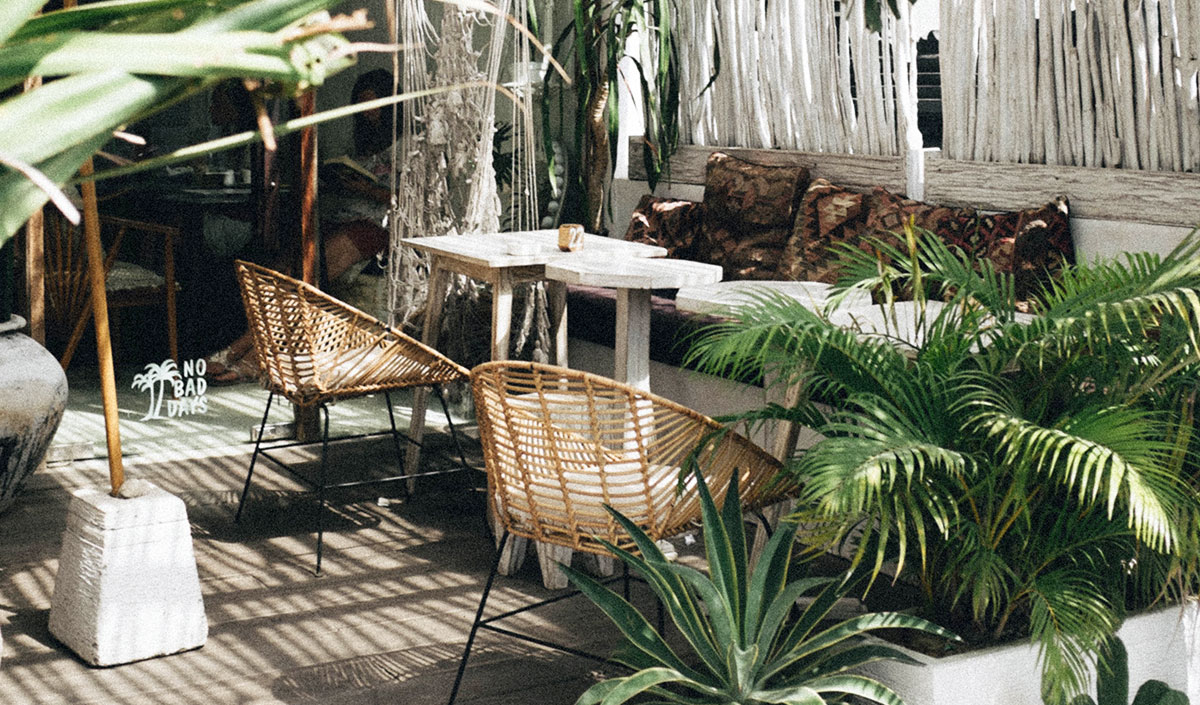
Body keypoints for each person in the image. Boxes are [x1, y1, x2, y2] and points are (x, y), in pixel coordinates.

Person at [206, 69, 399, 384]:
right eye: (361, 106)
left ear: (391, 107)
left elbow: (411, 199)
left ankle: (244, 355)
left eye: (374, 106)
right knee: (281, 270)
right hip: (345, 217)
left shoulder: (408, 144)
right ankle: (244, 352)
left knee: (307, 277)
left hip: (377, 226)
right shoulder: (363, 141)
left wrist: (365, 189)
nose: (367, 113)